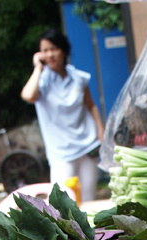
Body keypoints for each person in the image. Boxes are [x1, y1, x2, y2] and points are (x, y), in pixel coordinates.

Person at [21, 28, 105, 204]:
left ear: (63, 50)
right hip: (61, 154)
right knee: (61, 204)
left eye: (53, 49)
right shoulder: (42, 81)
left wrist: (100, 131)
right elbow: (29, 96)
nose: (49, 54)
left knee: (88, 201)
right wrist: (38, 67)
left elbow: (90, 106)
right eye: (44, 50)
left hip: (87, 147)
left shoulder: (78, 78)